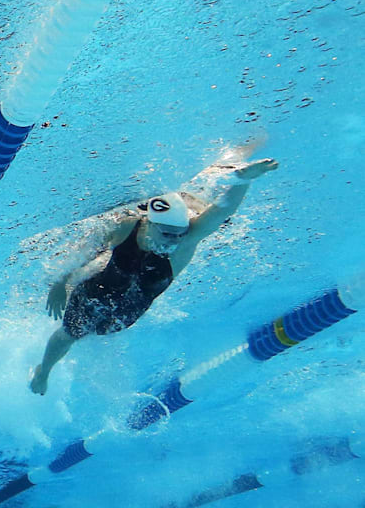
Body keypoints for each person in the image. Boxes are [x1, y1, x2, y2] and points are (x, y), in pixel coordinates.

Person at [29, 156, 279, 395]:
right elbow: (83, 248)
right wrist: (61, 282)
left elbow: (220, 213)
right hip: (94, 292)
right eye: (167, 234)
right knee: (69, 335)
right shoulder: (128, 226)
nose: (174, 240)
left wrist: (243, 179)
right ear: (149, 223)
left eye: (179, 233)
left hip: (128, 313)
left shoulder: (187, 240)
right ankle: (43, 372)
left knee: (100, 332)